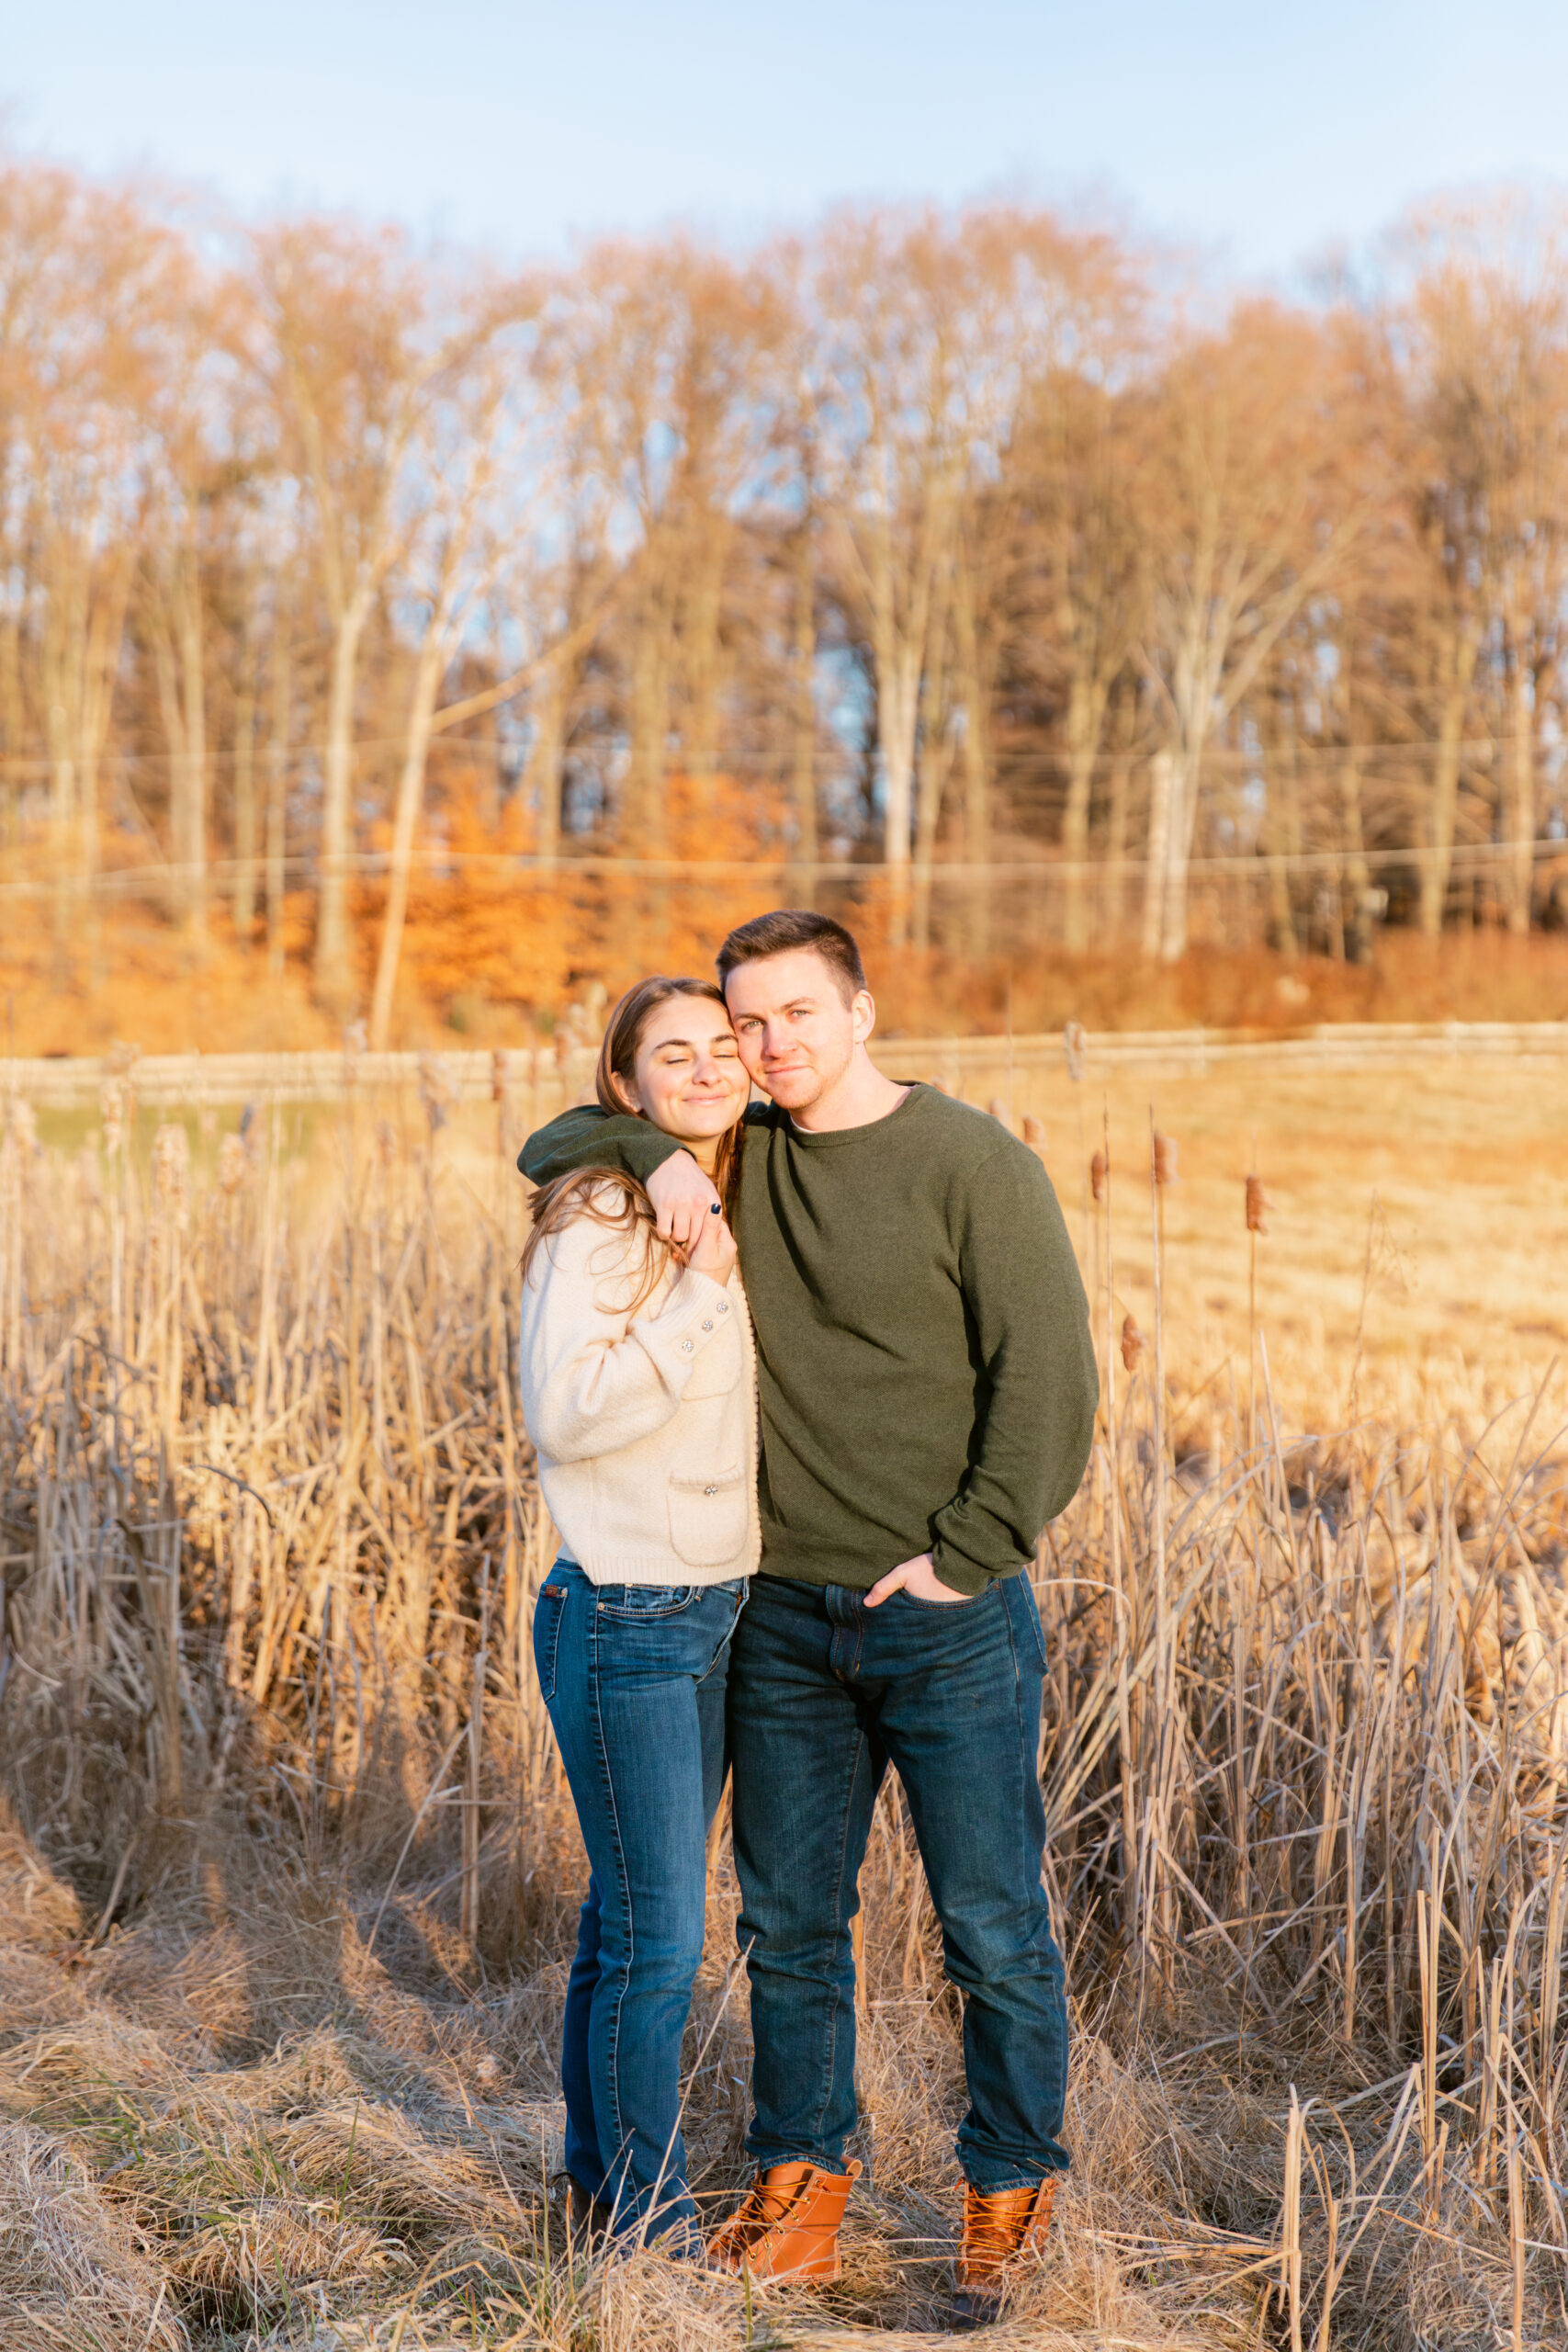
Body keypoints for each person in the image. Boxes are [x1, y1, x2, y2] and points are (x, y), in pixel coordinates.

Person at [521, 910, 1099, 2317]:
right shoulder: (742, 1151)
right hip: (778, 1616)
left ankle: (1010, 2192)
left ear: (863, 1012)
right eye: (747, 1022)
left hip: (946, 1619)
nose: (769, 1046)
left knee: (992, 1925)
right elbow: (558, 1138)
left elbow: (1051, 1387)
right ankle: (801, 2186)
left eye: (793, 1016)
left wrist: (970, 1552)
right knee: (790, 1925)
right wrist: (649, 1149)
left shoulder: (973, 1163)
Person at [517, 976, 757, 2250]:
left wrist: (666, 1160)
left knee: (628, 1920)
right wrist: (698, 1295)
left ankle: (596, 2186)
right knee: (660, 1937)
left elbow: (555, 1127)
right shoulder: (607, 1217)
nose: (710, 1066)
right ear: (628, 1084)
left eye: (725, 1046)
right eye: (674, 1053)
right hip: (627, 1613)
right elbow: (564, 1412)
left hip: (707, 1610)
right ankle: (647, 2229)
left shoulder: (705, 1180)